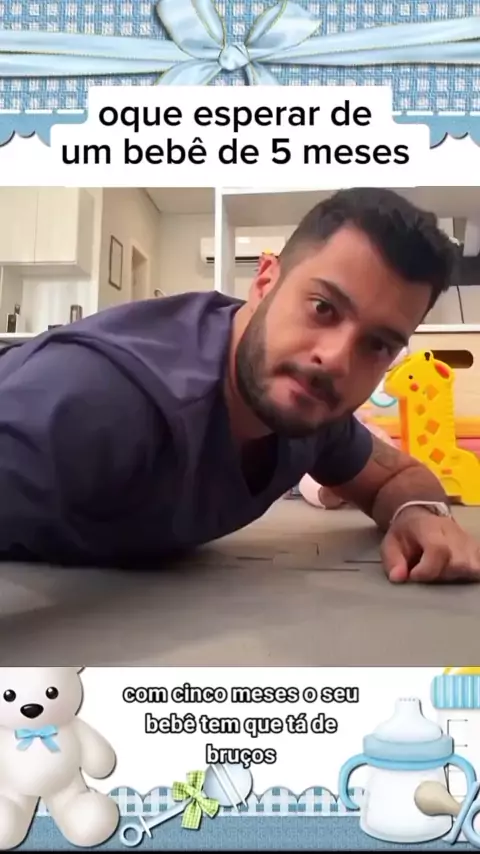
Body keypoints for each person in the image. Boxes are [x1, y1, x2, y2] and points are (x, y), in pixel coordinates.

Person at [0, 187, 479, 583]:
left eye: (377, 344)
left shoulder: (309, 407)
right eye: (322, 308)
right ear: (265, 280)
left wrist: (420, 514)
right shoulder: (106, 396)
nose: (335, 360)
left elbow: (397, 477)